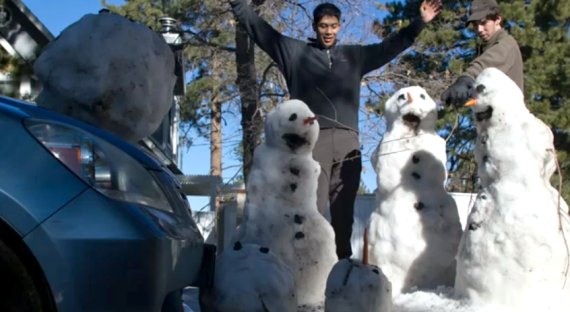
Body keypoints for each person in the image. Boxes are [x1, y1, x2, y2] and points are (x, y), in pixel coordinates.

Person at [229, 0, 442, 259]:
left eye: (332, 26)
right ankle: (307, 267)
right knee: (312, 209)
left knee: (344, 213)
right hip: (312, 143)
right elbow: (261, 31)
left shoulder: (355, 56)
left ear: (339, 27)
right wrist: (238, 5)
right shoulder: (294, 53)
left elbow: (391, 46)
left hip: (347, 143)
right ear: (315, 27)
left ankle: (341, 268)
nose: (328, 31)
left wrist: (420, 22)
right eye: (323, 26)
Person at [441, 0, 523, 106]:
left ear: (497, 20)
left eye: (483, 23)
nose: (479, 29)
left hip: (509, 118)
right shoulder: (487, 46)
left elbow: (484, 65)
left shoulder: (506, 44)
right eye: (475, 25)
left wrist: (465, 80)